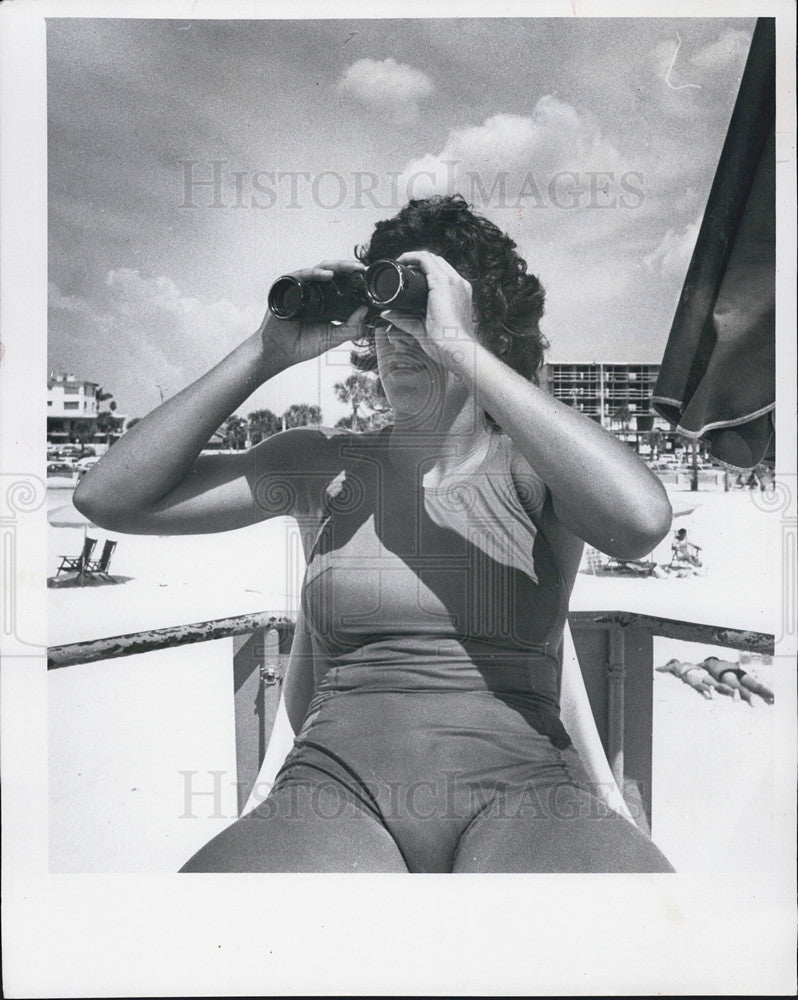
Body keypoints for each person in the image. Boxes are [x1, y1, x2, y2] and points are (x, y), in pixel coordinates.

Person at [75, 194, 674, 873]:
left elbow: (640, 522)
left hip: (525, 791)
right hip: (333, 793)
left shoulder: (535, 470)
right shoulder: (322, 464)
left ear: (482, 325)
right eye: (387, 321)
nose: (398, 338)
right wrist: (266, 351)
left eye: (420, 314)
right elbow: (109, 497)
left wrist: (461, 346)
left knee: (638, 930)